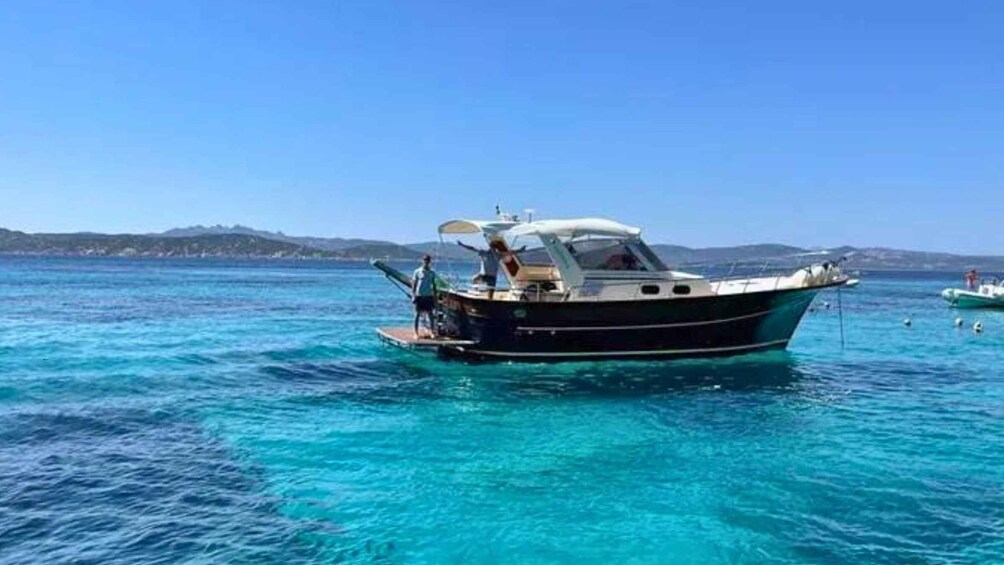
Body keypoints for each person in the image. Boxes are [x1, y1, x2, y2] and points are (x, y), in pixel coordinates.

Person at [412, 255, 437, 338]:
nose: (426, 261)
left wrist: (435, 297)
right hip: (419, 295)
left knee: (430, 315)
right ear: (422, 261)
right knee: (417, 315)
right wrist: (413, 295)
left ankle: (432, 332)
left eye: (428, 260)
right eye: (425, 260)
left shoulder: (432, 273)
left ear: (429, 262)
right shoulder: (417, 271)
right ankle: (416, 333)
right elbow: (414, 284)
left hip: (428, 295)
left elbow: (433, 285)